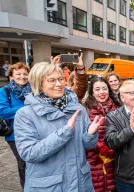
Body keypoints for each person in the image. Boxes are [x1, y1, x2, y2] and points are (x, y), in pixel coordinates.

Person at [14, 62, 103, 191]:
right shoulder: (25, 114)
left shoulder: (78, 109)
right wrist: (64, 133)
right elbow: (29, 153)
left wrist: (90, 134)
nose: (59, 84)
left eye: (61, 79)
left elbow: (88, 146)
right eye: (52, 80)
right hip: (49, 187)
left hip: (80, 184)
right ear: (39, 83)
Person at [84, 77, 122, 192]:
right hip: (93, 161)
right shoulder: (86, 109)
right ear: (92, 92)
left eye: (104, 89)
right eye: (97, 89)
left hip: (115, 160)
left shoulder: (118, 107)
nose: (101, 92)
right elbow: (82, 136)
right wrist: (100, 146)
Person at [0, 62, 31, 189]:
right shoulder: (4, 91)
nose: (22, 76)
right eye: (18, 74)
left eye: (25, 74)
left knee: (35, 163)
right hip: (15, 135)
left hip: (33, 131)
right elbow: (3, 112)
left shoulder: (33, 89)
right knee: (23, 164)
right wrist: (26, 107)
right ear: (11, 76)